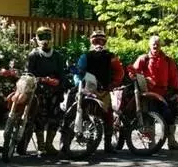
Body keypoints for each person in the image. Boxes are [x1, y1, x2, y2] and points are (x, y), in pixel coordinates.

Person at [128, 35, 178, 150]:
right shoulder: (143, 59)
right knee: (149, 117)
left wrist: (176, 92)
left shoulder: (168, 61)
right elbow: (132, 72)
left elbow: (174, 78)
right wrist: (138, 77)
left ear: (161, 45)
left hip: (164, 94)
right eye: (153, 43)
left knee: (170, 113)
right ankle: (151, 142)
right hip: (147, 94)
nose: (155, 45)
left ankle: (172, 141)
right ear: (149, 45)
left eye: (158, 43)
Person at [76, 29, 124, 152]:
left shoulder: (111, 56)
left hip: (103, 90)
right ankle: (66, 139)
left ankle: (108, 144)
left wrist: (114, 83)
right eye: (96, 40)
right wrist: (78, 84)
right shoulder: (85, 56)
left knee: (108, 115)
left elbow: (119, 71)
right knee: (75, 110)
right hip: (87, 89)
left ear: (105, 42)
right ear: (91, 41)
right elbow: (78, 72)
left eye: (101, 41)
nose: (98, 43)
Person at [25, 26, 66, 155]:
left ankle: (49, 145)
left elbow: (62, 75)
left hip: (55, 92)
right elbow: (29, 75)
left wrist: (58, 82)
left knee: (55, 118)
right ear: (37, 39)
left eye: (48, 37)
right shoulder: (33, 55)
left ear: (52, 38)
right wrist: (43, 80)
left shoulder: (58, 56)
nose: (45, 41)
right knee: (39, 118)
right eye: (42, 37)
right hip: (39, 92)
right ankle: (41, 146)